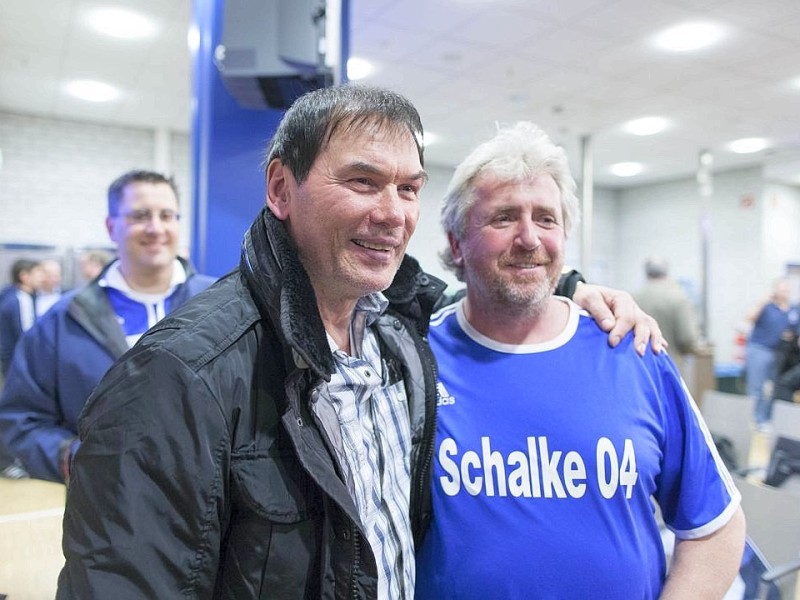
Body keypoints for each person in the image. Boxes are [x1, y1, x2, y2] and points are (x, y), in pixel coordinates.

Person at [56, 86, 661, 598]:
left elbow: (483, 292)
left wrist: (571, 290)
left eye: (409, 188)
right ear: (280, 189)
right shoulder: (179, 376)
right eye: (364, 181)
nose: (393, 213)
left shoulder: (394, 332)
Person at [414, 122, 746, 599]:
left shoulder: (631, 350)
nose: (529, 238)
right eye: (504, 217)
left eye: (546, 219)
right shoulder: (413, 357)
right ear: (455, 241)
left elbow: (715, 525)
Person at [0, 170, 216, 483]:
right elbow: (20, 419)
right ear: (111, 226)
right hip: (108, 511)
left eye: (167, 215)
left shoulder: (220, 303)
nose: (156, 228)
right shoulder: (64, 320)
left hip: (210, 504)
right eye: (140, 216)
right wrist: (75, 459)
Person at [744, 277, 799, 428]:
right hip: (759, 349)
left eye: (786, 289)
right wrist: (761, 302)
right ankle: (754, 420)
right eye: (781, 289)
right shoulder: (767, 306)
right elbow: (749, 318)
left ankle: (765, 419)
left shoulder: (793, 310)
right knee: (757, 387)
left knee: (775, 388)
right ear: (775, 290)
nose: (784, 292)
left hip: (780, 354)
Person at [633, 255, 699, 378]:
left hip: (640, 369)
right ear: (666, 272)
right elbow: (687, 339)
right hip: (670, 369)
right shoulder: (678, 298)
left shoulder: (633, 298)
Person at [0, 258, 41, 377]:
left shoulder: (10, 294)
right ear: (24, 276)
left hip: (10, 359)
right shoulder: (22, 299)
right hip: (16, 361)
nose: (41, 278)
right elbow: (27, 334)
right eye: (37, 274)